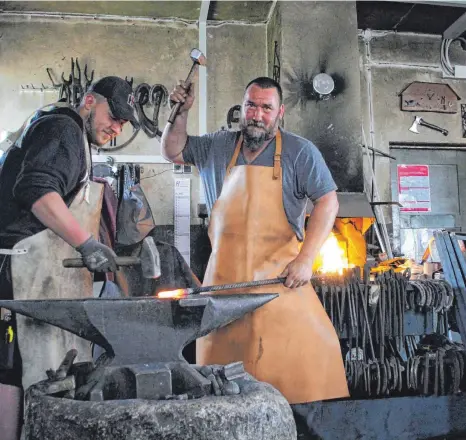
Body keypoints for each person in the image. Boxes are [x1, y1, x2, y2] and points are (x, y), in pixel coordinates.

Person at [161, 76, 349, 405]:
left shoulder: (299, 152)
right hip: (224, 293)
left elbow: (328, 201)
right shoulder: (217, 146)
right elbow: (172, 150)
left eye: (266, 108)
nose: (257, 115)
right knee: (221, 398)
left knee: (297, 387)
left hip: (280, 287)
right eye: (251, 105)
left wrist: (306, 260)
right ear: (242, 108)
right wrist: (180, 111)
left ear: (280, 112)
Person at [0, 76, 138, 439]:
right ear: (90, 101)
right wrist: (87, 244)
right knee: (13, 371)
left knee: (27, 372)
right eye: (113, 115)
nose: (116, 127)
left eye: (123, 122)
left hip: (36, 274)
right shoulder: (63, 129)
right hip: (20, 270)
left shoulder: (62, 129)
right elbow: (37, 191)